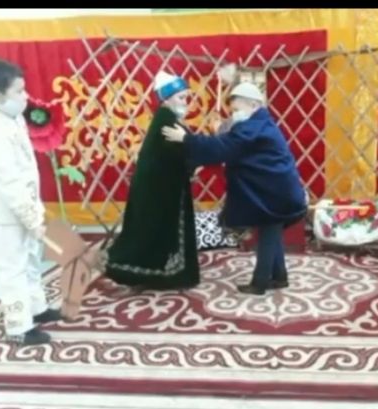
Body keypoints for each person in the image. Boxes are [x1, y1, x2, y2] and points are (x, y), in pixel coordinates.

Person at [162, 82, 307, 295]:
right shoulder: (261, 123)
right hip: (278, 191)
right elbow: (229, 145)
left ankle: (259, 283)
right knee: (272, 230)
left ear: (254, 105)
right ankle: (279, 277)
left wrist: (186, 139)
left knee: (268, 234)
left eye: (237, 109)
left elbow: (224, 147)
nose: (234, 114)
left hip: (275, 194)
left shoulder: (254, 127)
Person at [0, 58, 63, 346]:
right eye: (19, 92)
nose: (26, 97)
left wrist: (35, 212)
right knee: (11, 269)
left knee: (31, 260)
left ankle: (36, 308)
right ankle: (18, 326)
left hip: (27, 204)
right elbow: (9, 181)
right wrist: (32, 219)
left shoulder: (13, 117)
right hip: (7, 215)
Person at [104, 71, 200, 290]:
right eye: (181, 97)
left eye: (186, 97)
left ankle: (155, 275)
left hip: (161, 188)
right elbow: (177, 152)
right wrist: (194, 163)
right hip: (158, 190)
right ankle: (140, 272)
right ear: (166, 99)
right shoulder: (166, 121)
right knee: (152, 232)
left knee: (153, 232)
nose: (185, 102)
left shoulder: (166, 118)